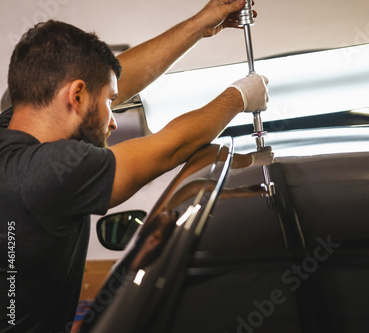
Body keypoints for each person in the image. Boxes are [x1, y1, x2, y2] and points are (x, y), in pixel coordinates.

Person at [0, 0, 269, 332]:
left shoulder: (11, 126)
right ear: (77, 96)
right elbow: (171, 147)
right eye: (111, 103)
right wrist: (240, 96)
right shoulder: (54, 172)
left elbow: (110, 80)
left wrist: (201, 23)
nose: (112, 121)